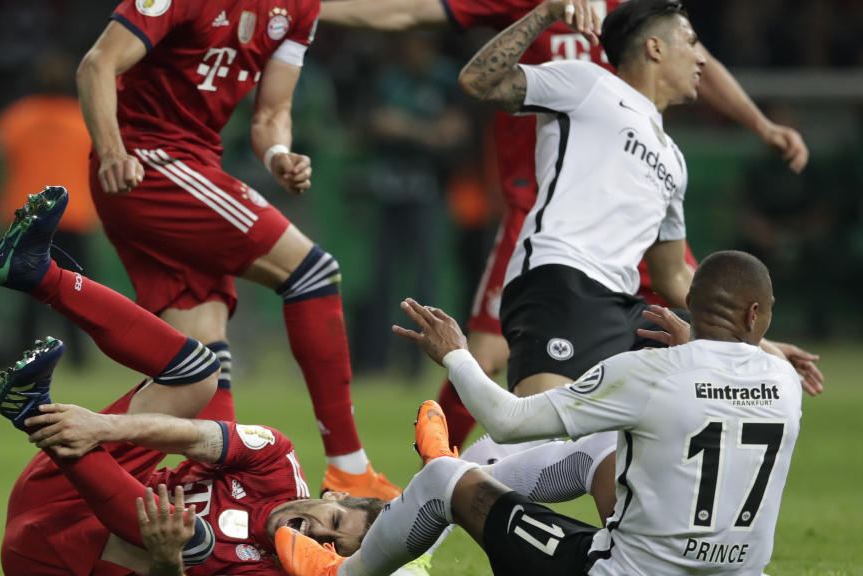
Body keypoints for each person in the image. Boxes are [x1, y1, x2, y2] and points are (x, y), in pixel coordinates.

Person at [320, 0, 811, 450]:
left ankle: (627, 544)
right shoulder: (587, 83)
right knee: (527, 435)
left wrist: (763, 346)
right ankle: (432, 485)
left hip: (621, 302)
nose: (702, 58)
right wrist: (545, 11)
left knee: (629, 436)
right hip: (561, 274)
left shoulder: (673, 160)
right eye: (691, 45)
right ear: (656, 48)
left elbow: (676, 278)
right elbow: (475, 78)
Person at [276, 249, 803, 576]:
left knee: (440, 478)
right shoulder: (784, 380)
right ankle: (454, 482)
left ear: (692, 299)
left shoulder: (652, 372)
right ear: (755, 314)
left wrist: (456, 354)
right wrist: (698, 348)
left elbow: (508, 420)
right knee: (602, 447)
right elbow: (724, 377)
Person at [0, 186, 385, 576]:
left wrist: (168, 559)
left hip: (49, 567)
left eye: (334, 548)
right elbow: (189, 436)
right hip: (63, 489)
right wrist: (101, 426)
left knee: (192, 540)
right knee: (198, 373)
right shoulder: (275, 460)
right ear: (332, 497)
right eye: (334, 521)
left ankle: (36, 414)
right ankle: (38, 275)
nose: (320, 534)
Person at [76, 0, 399, 499]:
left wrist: (277, 154)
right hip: (150, 161)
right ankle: (350, 472)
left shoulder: (297, 8)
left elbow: (272, 113)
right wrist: (114, 151)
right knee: (313, 272)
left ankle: (168, 494)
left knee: (199, 362)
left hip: (192, 163)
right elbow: (96, 63)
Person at [0, 51, 98, 367]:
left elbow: (5, 154)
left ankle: (24, 357)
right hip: (73, 214)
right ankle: (79, 359)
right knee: (76, 293)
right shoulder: (83, 120)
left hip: (26, 217)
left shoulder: (15, 118)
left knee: (28, 293)